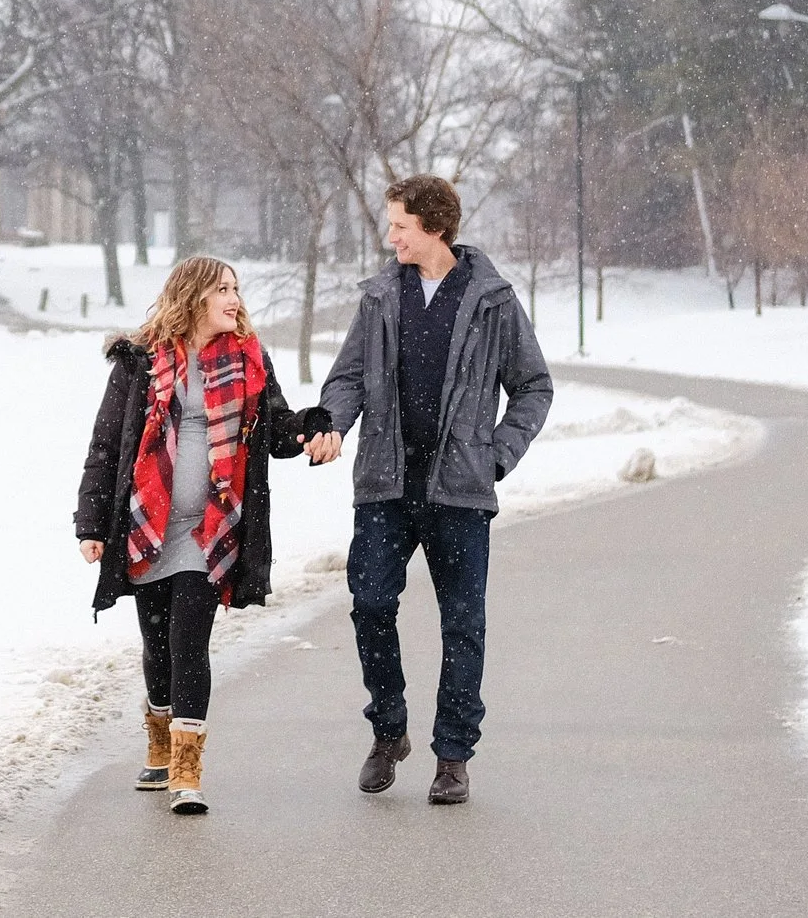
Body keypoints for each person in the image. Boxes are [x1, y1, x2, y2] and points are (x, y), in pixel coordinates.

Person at [306, 174, 552, 806]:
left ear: (434, 228)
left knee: (463, 625)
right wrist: (332, 424)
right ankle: (389, 732)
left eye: (400, 227)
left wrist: (497, 456)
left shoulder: (493, 301)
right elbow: (349, 376)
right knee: (369, 606)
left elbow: (533, 387)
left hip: (461, 494)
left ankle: (452, 756)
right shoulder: (381, 295)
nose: (391, 238)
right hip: (384, 486)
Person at [76, 257, 333, 815]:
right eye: (223, 289)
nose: (234, 299)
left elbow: (276, 431)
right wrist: (92, 525)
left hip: (209, 528)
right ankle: (161, 736)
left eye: (237, 289)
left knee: (189, 640)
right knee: (157, 643)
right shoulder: (140, 362)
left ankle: (187, 770)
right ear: (193, 296)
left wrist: (312, 424)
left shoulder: (248, 359)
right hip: (148, 525)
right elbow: (105, 447)